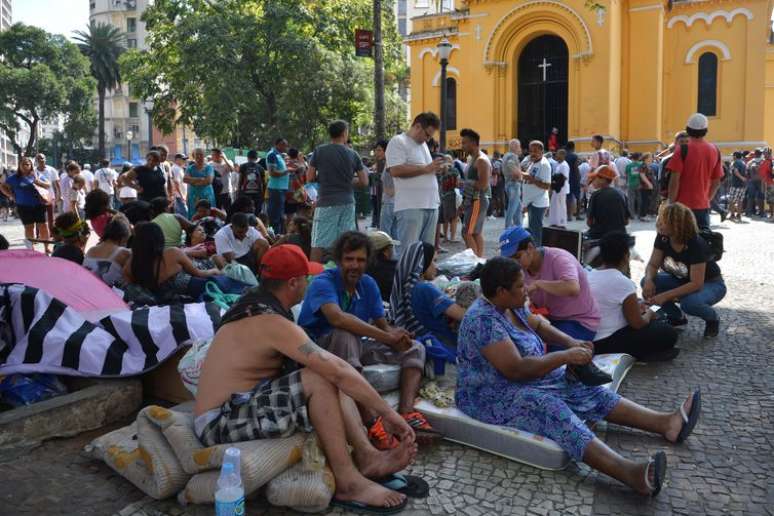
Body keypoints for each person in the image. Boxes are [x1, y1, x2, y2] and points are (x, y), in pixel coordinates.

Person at [193, 245, 416, 512]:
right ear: (293, 283)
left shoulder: (257, 306)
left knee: (326, 374)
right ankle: (348, 483)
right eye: (306, 278)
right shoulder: (270, 321)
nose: (309, 284)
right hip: (219, 422)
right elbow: (337, 370)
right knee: (321, 377)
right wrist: (388, 414)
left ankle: (367, 456)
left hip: (242, 405)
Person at [456, 257, 702, 497]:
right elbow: (516, 369)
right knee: (551, 408)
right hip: (488, 395)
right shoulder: (483, 321)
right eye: (520, 286)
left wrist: (571, 342)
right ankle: (630, 473)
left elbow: (540, 326)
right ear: (501, 291)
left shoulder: (511, 304)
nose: (526, 289)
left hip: (524, 380)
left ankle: (665, 423)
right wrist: (565, 357)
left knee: (582, 387)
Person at [297, 231, 435, 448]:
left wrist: (398, 336)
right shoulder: (323, 282)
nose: (354, 265)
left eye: (360, 260)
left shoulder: (368, 284)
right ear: (339, 260)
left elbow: (382, 323)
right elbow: (337, 318)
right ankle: (372, 420)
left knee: (415, 348)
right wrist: (387, 336)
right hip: (317, 350)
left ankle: (407, 412)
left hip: (354, 346)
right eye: (349, 259)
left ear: (368, 261)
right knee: (345, 335)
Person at [499, 226, 601, 347]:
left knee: (551, 357)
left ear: (530, 248)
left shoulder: (559, 258)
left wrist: (538, 284)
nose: (514, 263)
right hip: (549, 318)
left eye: (517, 257)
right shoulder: (518, 268)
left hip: (579, 320)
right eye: (509, 259)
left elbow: (573, 288)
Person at [588, 232, 679, 361]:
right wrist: (649, 314)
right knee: (668, 333)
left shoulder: (590, 274)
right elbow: (637, 324)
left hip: (591, 337)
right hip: (607, 341)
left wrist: (636, 305)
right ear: (626, 256)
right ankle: (644, 354)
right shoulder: (622, 282)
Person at [642, 203, 726, 338]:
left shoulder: (696, 244)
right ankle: (677, 317)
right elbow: (652, 264)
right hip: (681, 279)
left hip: (710, 283)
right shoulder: (663, 237)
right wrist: (648, 280)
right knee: (647, 283)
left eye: (663, 221)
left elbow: (696, 284)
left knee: (690, 304)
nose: (658, 224)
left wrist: (665, 296)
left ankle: (713, 319)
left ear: (676, 224)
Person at [307, 120, 368, 263]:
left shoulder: (320, 151)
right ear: (344, 133)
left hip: (326, 202)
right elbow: (364, 181)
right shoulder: (353, 154)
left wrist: (326, 179)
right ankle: (341, 275)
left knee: (318, 243)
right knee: (345, 243)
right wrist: (348, 181)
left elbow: (309, 177)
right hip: (347, 203)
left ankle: (312, 278)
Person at [385, 112, 444, 253]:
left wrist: (437, 169)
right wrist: (427, 168)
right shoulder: (398, 141)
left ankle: (420, 275)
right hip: (411, 206)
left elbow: (425, 170)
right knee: (408, 252)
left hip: (430, 204)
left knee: (426, 253)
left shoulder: (422, 145)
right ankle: (407, 275)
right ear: (417, 126)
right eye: (427, 134)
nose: (428, 139)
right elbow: (396, 170)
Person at [391, 242, 466, 350]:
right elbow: (464, 315)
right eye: (434, 261)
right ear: (422, 263)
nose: (437, 266)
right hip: (443, 344)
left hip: (424, 343)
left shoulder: (406, 287)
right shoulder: (425, 289)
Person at [124, 221, 221, 299]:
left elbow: (132, 286)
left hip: (156, 301)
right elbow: (199, 273)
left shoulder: (130, 264)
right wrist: (215, 271)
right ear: (160, 238)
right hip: (185, 293)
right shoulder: (172, 253)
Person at [666, 113, 723, 230]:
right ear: (705, 130)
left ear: (688, 129)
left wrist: (671, 203)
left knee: (680, 243)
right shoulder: (715, 150)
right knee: (701, 243)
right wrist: (707, 199)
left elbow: (674, 181)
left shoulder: (682, 150)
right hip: (703, 207)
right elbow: (716, 182)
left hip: (681, 206)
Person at [0, 156, 51, 251]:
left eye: (27, 164)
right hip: (23, 206)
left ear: (31, 165)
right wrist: (11, 195)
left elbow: (48, 185)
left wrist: (38, 182)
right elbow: (3, 186)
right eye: (22, 164)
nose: (25, 166)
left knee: (43, 226)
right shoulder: (14, 178)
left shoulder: (36, 175)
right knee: (29, 228)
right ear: (19, 166)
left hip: (39, 205)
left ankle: (47, 247)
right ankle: (31, 250)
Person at [459, 128, 491, 257]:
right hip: (473, 200)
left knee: (467, 232)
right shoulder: (472, 159)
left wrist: (464, 183)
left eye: (464, 143)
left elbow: (484, 184)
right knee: (475, 232)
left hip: (477, 200)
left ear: (473, 143)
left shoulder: (481, 160)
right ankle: (478, 261)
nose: (462, 146)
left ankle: (474, 263)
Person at [83, 216, 132, 287]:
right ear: (123, 238)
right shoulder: (124, 252)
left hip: (85, 288)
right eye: (126, 241)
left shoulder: (91, 250)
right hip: (107, 294)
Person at [586, 165, 630, 239]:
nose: (592, 181)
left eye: (594, 178)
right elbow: (626, 222)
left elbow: (589, 222)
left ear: (603, 179)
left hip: (601, 235)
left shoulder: (596, 195)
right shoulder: (621, 193)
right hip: (620, 235)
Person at [520, 141, 552, 246]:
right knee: (531, 231)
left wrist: (531, 179)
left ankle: (538, 254)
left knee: (535, 232)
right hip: (531, 203)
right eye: (530, 151)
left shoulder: (544, 165)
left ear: (542, 151)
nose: (532, 153)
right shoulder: (533, 162)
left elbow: (546, 185)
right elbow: (529, 178)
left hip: (538, 203)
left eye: (535, 151)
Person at [366, 230, 400, 302]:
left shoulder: (362, 267)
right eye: (391, 247)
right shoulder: (396, 268)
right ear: (386, 251)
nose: (393, 251)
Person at [184, 148, 216, 218]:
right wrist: (200, 179)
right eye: (196, 155)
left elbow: (209, 181)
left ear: (204, 155)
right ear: (193, 156)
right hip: (193, 197)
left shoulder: (209, 168)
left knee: (208, 215)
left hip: (207, 196)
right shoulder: (189, 168)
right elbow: (185, 179)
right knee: (194, 216)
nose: (199, 156)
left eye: (201, 154)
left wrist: (193, 182)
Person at [267, 138, 290, 234]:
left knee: (280, 216)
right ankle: (274, 238)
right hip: (276, 189)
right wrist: (288, 171)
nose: (285, 147)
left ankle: (278, 235)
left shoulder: (279, 155)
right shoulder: (272, 155)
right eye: (282, 145)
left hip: (281, 189)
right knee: (275, 217)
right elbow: (272, 173)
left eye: (286, 145)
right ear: (276, 144)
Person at [34, 153, 60, 233]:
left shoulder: (52, 170)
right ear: (36, 161)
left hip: (50, 197)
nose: (41, 160)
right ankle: (38, 233)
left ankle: (52, 233)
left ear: (45, 159)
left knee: (51, 217)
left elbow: (57, 185)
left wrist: (59, 196)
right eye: (38, 159)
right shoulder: (33, 171)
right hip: (38, 197)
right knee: (39, 216)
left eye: (42, 158)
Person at [438, 154, 460, 243]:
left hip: (443, 196)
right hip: (452, 195)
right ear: (451, 161)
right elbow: (458, 183)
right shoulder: (455, 170)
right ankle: (453, 237)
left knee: (445, 218)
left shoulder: (441, 171)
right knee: (454, 217)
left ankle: (446, 237)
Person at [503, 138, 524, 228]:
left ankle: (518, 227)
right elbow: (511, 166)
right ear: (515, 146)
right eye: (519, 146)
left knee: (518, 208)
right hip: (513, 184)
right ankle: (507, 227)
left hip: (509, 183)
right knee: (512, 208)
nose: (520, 148)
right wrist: (519, 176)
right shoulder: (512, 156)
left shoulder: (506, 155)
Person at [238, 150, 265, 215]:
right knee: (257, 212)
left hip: (246, 193)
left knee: (245, 210)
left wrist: (239, 192)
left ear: (247, 157)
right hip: (257, 194)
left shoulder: (243, 166)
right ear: (256, 158)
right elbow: (263, 182)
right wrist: (263, 194)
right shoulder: (260, 168)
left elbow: (240, 180)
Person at [548, 148, 569, 228]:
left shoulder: (564, 165)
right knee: (554, 205)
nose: (557, 155)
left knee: (561, 206)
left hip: (561, 189)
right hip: (556, 188)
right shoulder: (558, 164)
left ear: (563, 155)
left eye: (558, 154)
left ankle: (561, 222)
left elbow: (564, 178)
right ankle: (554, 221)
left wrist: (556, 183)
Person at [564, 142, 581, 221]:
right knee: (578, 197)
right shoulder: (575, 156)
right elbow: (576, 168)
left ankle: (569, 216)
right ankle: (578, 215)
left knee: (568, 197)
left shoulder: (564, 156)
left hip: (567, 178)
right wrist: (579, 178)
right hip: (574, 178)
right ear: (573, 147)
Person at [624, 152, 642, 217]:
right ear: (638, 158)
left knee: (631, 200)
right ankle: (639, 213)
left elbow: (626, 175)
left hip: (631, 184)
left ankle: (631, 214)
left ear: (632, 158)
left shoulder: (628, 166)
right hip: (639, 184)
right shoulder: (641, 165)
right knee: (639, 199)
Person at [638, 154, 655, 221]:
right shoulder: (643, 165)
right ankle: (643, 215)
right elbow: (642, 175)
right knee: (644, 201)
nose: (651, 158)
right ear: (646, 158)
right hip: (644, 186)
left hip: (647, 186)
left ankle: (644, 214)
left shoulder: (647, 165)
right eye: (650, 157)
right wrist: (649, 184)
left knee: (647, 201)